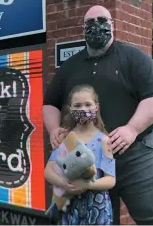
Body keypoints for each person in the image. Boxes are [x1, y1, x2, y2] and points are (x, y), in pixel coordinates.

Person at [43, 5, 153, 225]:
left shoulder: (133, 58)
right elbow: (49, 103)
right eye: (90, 22)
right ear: (83, 28)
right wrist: (54, 129)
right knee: (100, 219)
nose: (96, 26)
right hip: (91, 160)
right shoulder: (70, 67)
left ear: (112, 25)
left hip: (138, 155)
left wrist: (132, 129)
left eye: (102, 20)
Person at [44, 84, 115, 225]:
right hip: (68, 206)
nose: (83, 109)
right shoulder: (65, 138)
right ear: (70, 109)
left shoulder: (104, 141)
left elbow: (110, 180)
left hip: (96, 208)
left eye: (88, 104)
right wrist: (63, 183)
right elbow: (48, 171)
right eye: (77, 105)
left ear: (96, 107)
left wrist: (87, 185)